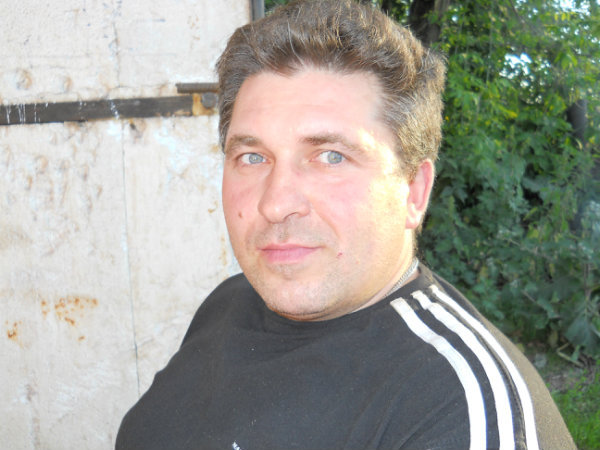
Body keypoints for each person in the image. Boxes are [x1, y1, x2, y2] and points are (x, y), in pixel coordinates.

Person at [116, 0, 576, 448]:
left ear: (414, 192)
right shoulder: (228, 304)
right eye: (252, 157)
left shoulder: (459, 410)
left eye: (330, 157)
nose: (276, 203)